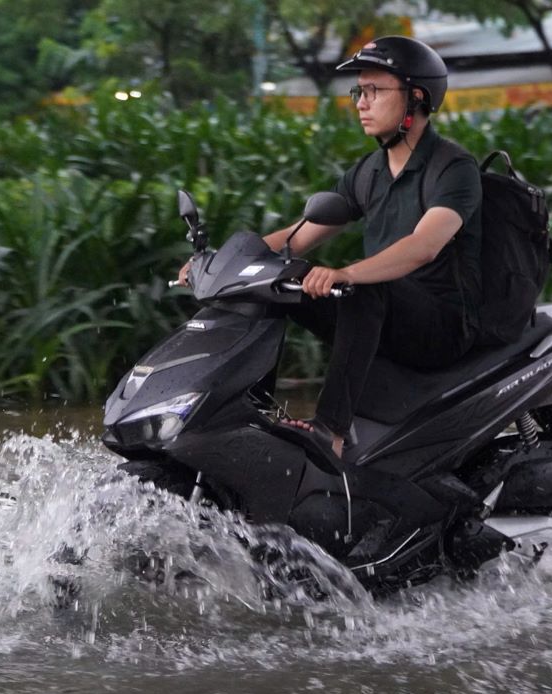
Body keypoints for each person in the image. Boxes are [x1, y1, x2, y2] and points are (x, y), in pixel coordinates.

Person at [182, 36, 483, 459]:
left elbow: (424, 245)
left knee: (364, 289)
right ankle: (247, 414)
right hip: (383, 314)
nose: (361, 102)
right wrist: (222, 263)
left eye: (374, 91)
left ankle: (331, 432)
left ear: (416, 98)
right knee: (276, 279)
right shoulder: (369, 172)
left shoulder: (452, 168)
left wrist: (348, 274)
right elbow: (297, 236)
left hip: (441, 325)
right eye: (359, 91)